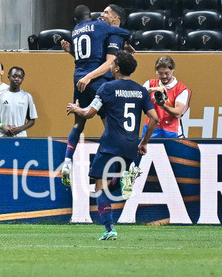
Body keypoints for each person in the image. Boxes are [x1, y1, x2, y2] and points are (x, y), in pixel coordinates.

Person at [66, 50, 158, 241]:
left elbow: (89, 114)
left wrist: (76, 109)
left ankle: (109, 228)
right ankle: (125, 177)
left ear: (116, 67)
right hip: (131, 145)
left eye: (112, 64)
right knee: (111, 185)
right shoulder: (140, 90)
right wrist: (144, 142)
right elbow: (154, 118)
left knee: (100, 186)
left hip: (110, 144)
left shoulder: (107, 88)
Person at [58, 3, 130, 186]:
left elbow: (90, 55)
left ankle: (67, 161)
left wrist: (71, 53)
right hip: (97, 82)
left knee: (78, 124)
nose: (102, 14)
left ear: (115, 16)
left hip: (79, 78)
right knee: (112, 126)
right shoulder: (110, 31)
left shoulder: (77, 29)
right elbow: (109, 62)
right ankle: (120, 172)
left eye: (106, 12)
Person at [0, 66, 37, 137]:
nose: (16, 79)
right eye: (14, 76)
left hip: (20, 136)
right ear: (9, 77)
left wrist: (19, 129)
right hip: (2, 136)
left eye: (20, 77)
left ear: (23, 78)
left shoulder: (27, 97)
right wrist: (2, 126)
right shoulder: (0, 95)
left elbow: (32, 120)